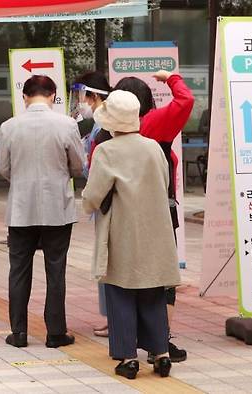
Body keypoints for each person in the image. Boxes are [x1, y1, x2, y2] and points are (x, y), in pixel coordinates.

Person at [82, 90, 181, 380]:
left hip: (123, 229)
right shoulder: (153, 147)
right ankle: (160, 353)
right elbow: (164, 183)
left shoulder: (107, 151)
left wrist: (86, 203)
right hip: (156, 229)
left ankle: (128, 358)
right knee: (152, 290)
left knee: (120, 291)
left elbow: (95, 193)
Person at [105, 70, 195, 364]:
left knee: (125, 278)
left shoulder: (110, 134)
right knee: (162, 278)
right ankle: (161, 343)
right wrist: (171, 78)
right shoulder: (156, 123)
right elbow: (186, 100)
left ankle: (129, 344)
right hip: (161, 210)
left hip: (121, 213)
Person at [0, 75, 84, 349]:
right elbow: (78, 166)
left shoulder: (9, 126)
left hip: (21, 209)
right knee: (56, 270)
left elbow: (3, 166)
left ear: (25, 96)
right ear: (53, 95)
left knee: (18, 270)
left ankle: (19, 332)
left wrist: (22, 179)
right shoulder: (67, 124)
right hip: (57, 206)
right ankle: (55, 333)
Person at [70, 71, 111, 337]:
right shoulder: (101, 122)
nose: (80, 103)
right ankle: (112, 315)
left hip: (105, 203)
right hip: (107, 202)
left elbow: (94, 167)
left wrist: (81, 161)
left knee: (107, 262)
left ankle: (113, 316)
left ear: (94, 96)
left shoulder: (101, 123)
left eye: (83, 97)